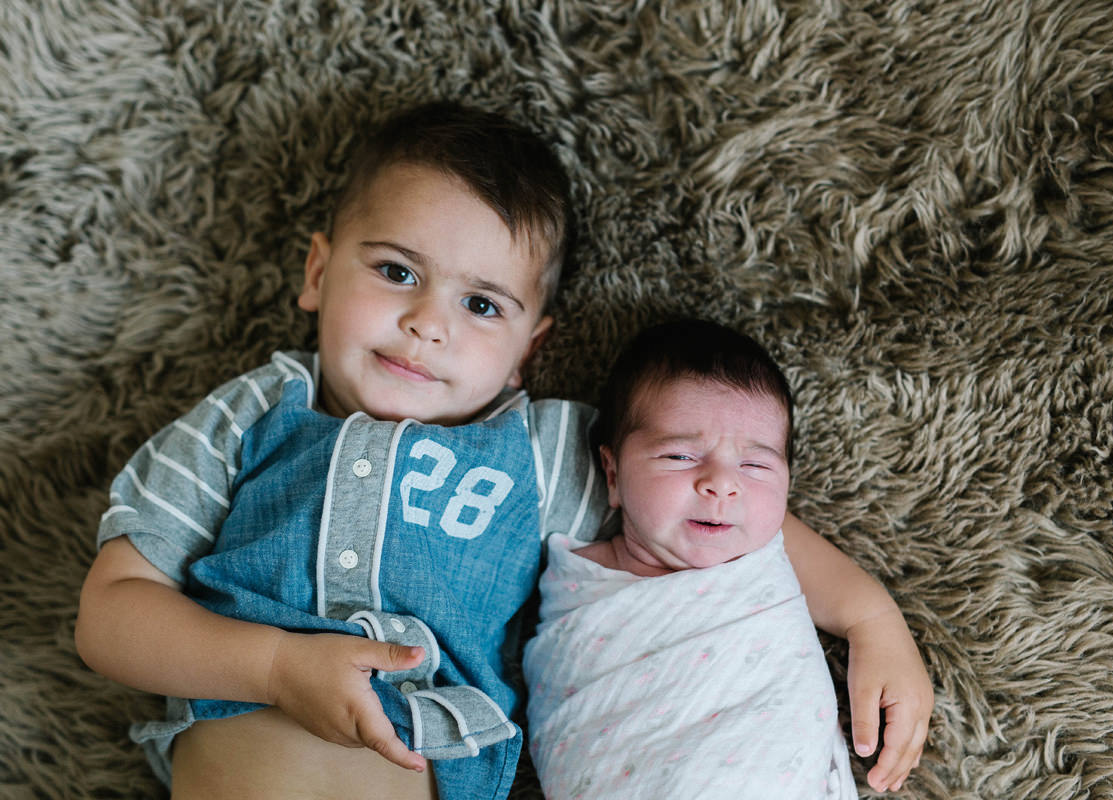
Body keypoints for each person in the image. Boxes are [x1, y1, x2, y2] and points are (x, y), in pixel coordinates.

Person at [75, 103, 929, 800]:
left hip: (420, 761)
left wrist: (867, 615)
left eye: (482, 305)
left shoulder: (545, 448)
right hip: (246, 739)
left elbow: (716, 511)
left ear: (530, 347)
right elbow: (111, 617)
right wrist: (272, 664)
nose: (429, 323)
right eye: (398, 273)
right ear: (317, 272)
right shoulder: (254, 412)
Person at [523, 319, 923, 798]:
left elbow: (860, 605)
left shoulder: (763, 541)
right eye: (680, 457)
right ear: (612, 474)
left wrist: (883, 632)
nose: (721, 483)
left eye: (755, 465)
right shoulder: (574, 566)